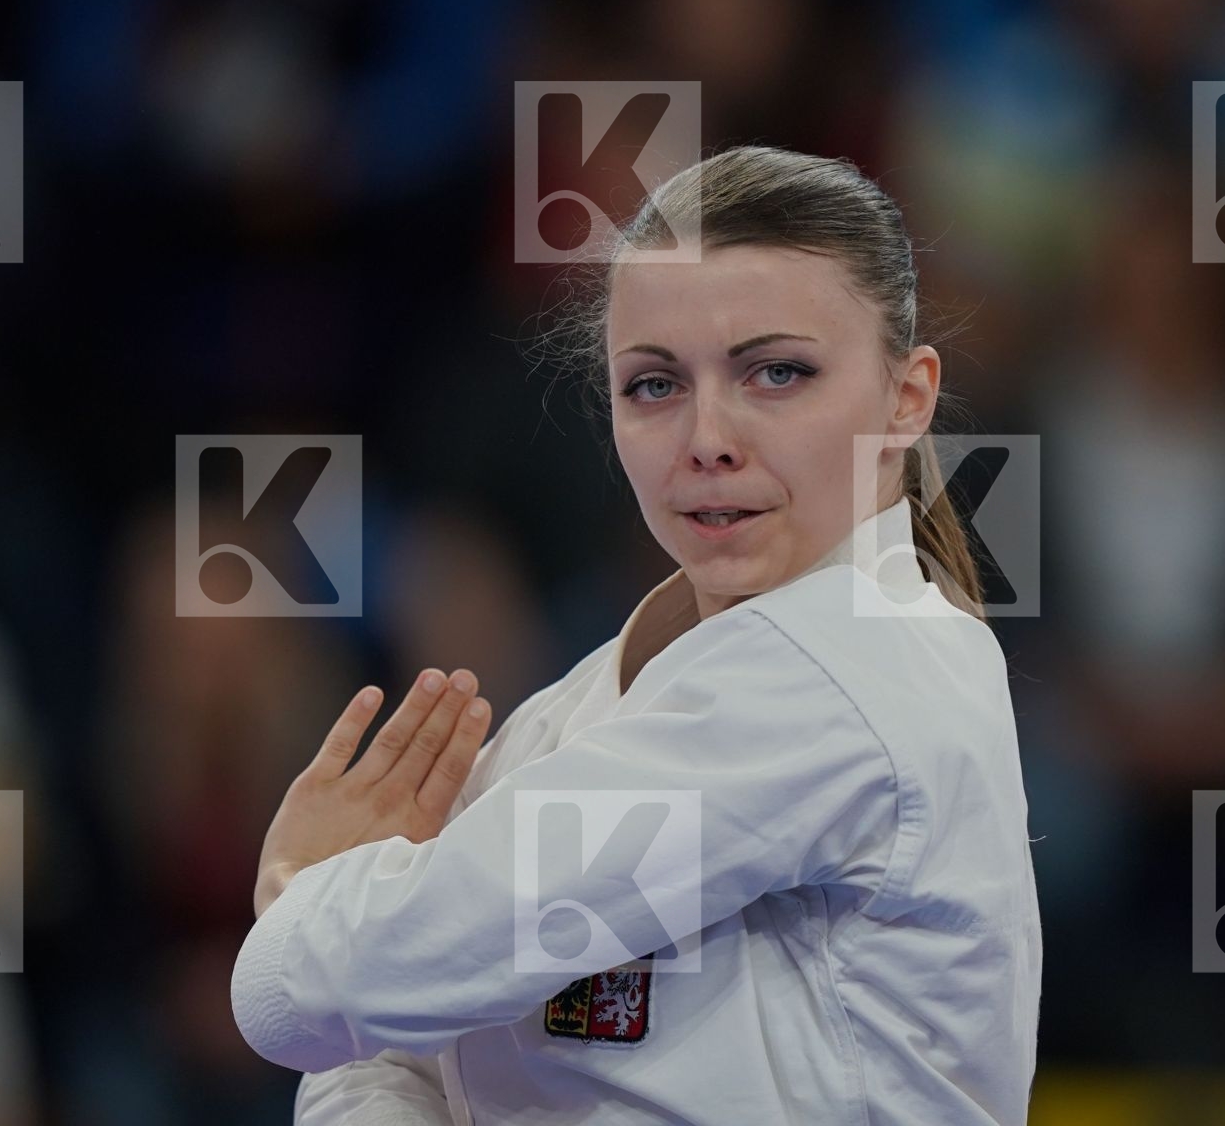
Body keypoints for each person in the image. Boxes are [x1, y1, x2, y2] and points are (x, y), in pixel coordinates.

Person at [230, 146, 1042, 1124]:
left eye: (776, 372)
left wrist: (301, 887)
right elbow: (365, 1041)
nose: (707, 437)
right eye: (654, 385)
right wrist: (339, 936)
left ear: (907, 398)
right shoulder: (577, 710)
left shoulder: (852, 667)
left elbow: (297, 998)